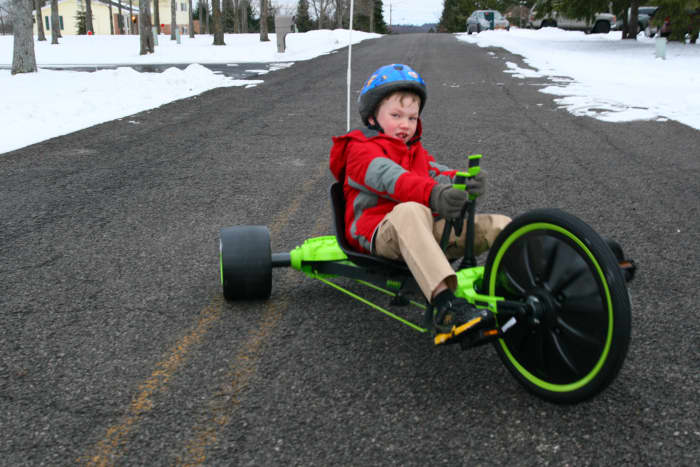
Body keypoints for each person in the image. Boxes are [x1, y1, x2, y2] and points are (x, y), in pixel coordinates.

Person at [329, 63, 511, 345]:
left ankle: (530, 285)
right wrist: (436, 194)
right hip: (378, 234)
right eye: (396, 115)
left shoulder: (415, 151)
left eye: (412, 118)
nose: (405, 124)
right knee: (410, 210)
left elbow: (438, 173)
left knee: (501, 225)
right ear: (372, 116)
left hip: (421, 232)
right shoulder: (358, 151)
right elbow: (394, 180)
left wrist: (464, 182)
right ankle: (446, 309)